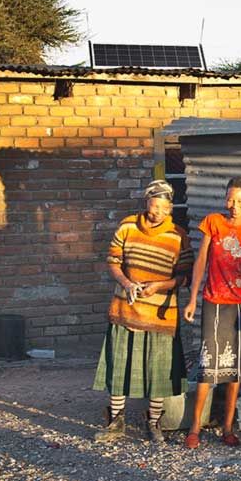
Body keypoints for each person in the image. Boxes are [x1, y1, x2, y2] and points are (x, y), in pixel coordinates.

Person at [93, 180, 194, 443]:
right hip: (126, 309)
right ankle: (115, 422)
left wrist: (161, 285)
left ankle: (154, 422)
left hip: (161, 315)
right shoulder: (127, 226)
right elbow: (113, 261)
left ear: (170, 208)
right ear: (146, 202)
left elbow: (186, 276)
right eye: (154, 205)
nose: (158, 211)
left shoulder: (178, 236)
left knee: (159, 371)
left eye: (164, 207)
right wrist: (126, 283)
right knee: (119, 368)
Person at [182, 177, 241, 449]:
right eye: (231, 199)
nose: (234, 206)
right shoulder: (213, 223)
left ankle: (228, 428)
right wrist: (193, 300)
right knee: (209, 366)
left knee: (236, 371)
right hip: (214, 300)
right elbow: (201, 261)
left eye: (240, 201)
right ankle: (195, 428)